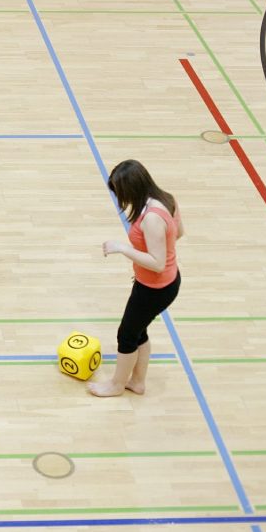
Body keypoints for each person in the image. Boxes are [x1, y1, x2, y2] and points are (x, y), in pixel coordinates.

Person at [89, 160, 183, 397]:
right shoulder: (166, 199)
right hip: (162, 283)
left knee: (127, 335)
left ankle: (116, 385)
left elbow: (158, 263)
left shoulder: (151, 218)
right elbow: (178, 232)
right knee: (138, 330)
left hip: (155, 288)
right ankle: (137, 382)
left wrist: (123, 248)